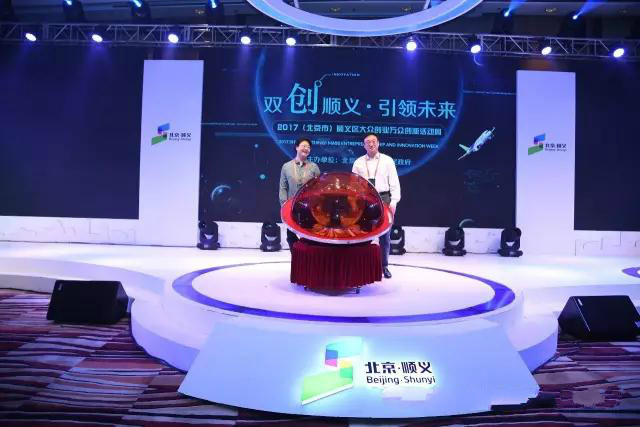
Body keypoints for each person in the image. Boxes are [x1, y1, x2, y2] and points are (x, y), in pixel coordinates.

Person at [352, 133, 401, 279]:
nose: (371, 144)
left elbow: (394, 182)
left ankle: (384, 266)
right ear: (364, 145)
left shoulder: (387, 160)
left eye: (373, 141)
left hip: (384, 198)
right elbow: (353, 185)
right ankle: (362, 267)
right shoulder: (358, 162)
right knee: (363, 234)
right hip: (365, 199)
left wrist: (394, 201)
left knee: (385, 236)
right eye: (368, 142)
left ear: (378, 143)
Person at [279, 137, 321, 251]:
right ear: (297, 147)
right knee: (291, 237)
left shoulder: (314, 167)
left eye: (308, 147)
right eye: (303, 146)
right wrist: (284, 206)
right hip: (291, 207)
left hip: (308, 208)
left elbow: (318, 189)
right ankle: (295, 257)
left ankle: (308, 259)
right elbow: (283, 188)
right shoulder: (286, 166)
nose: (306, 149)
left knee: (309, 237)